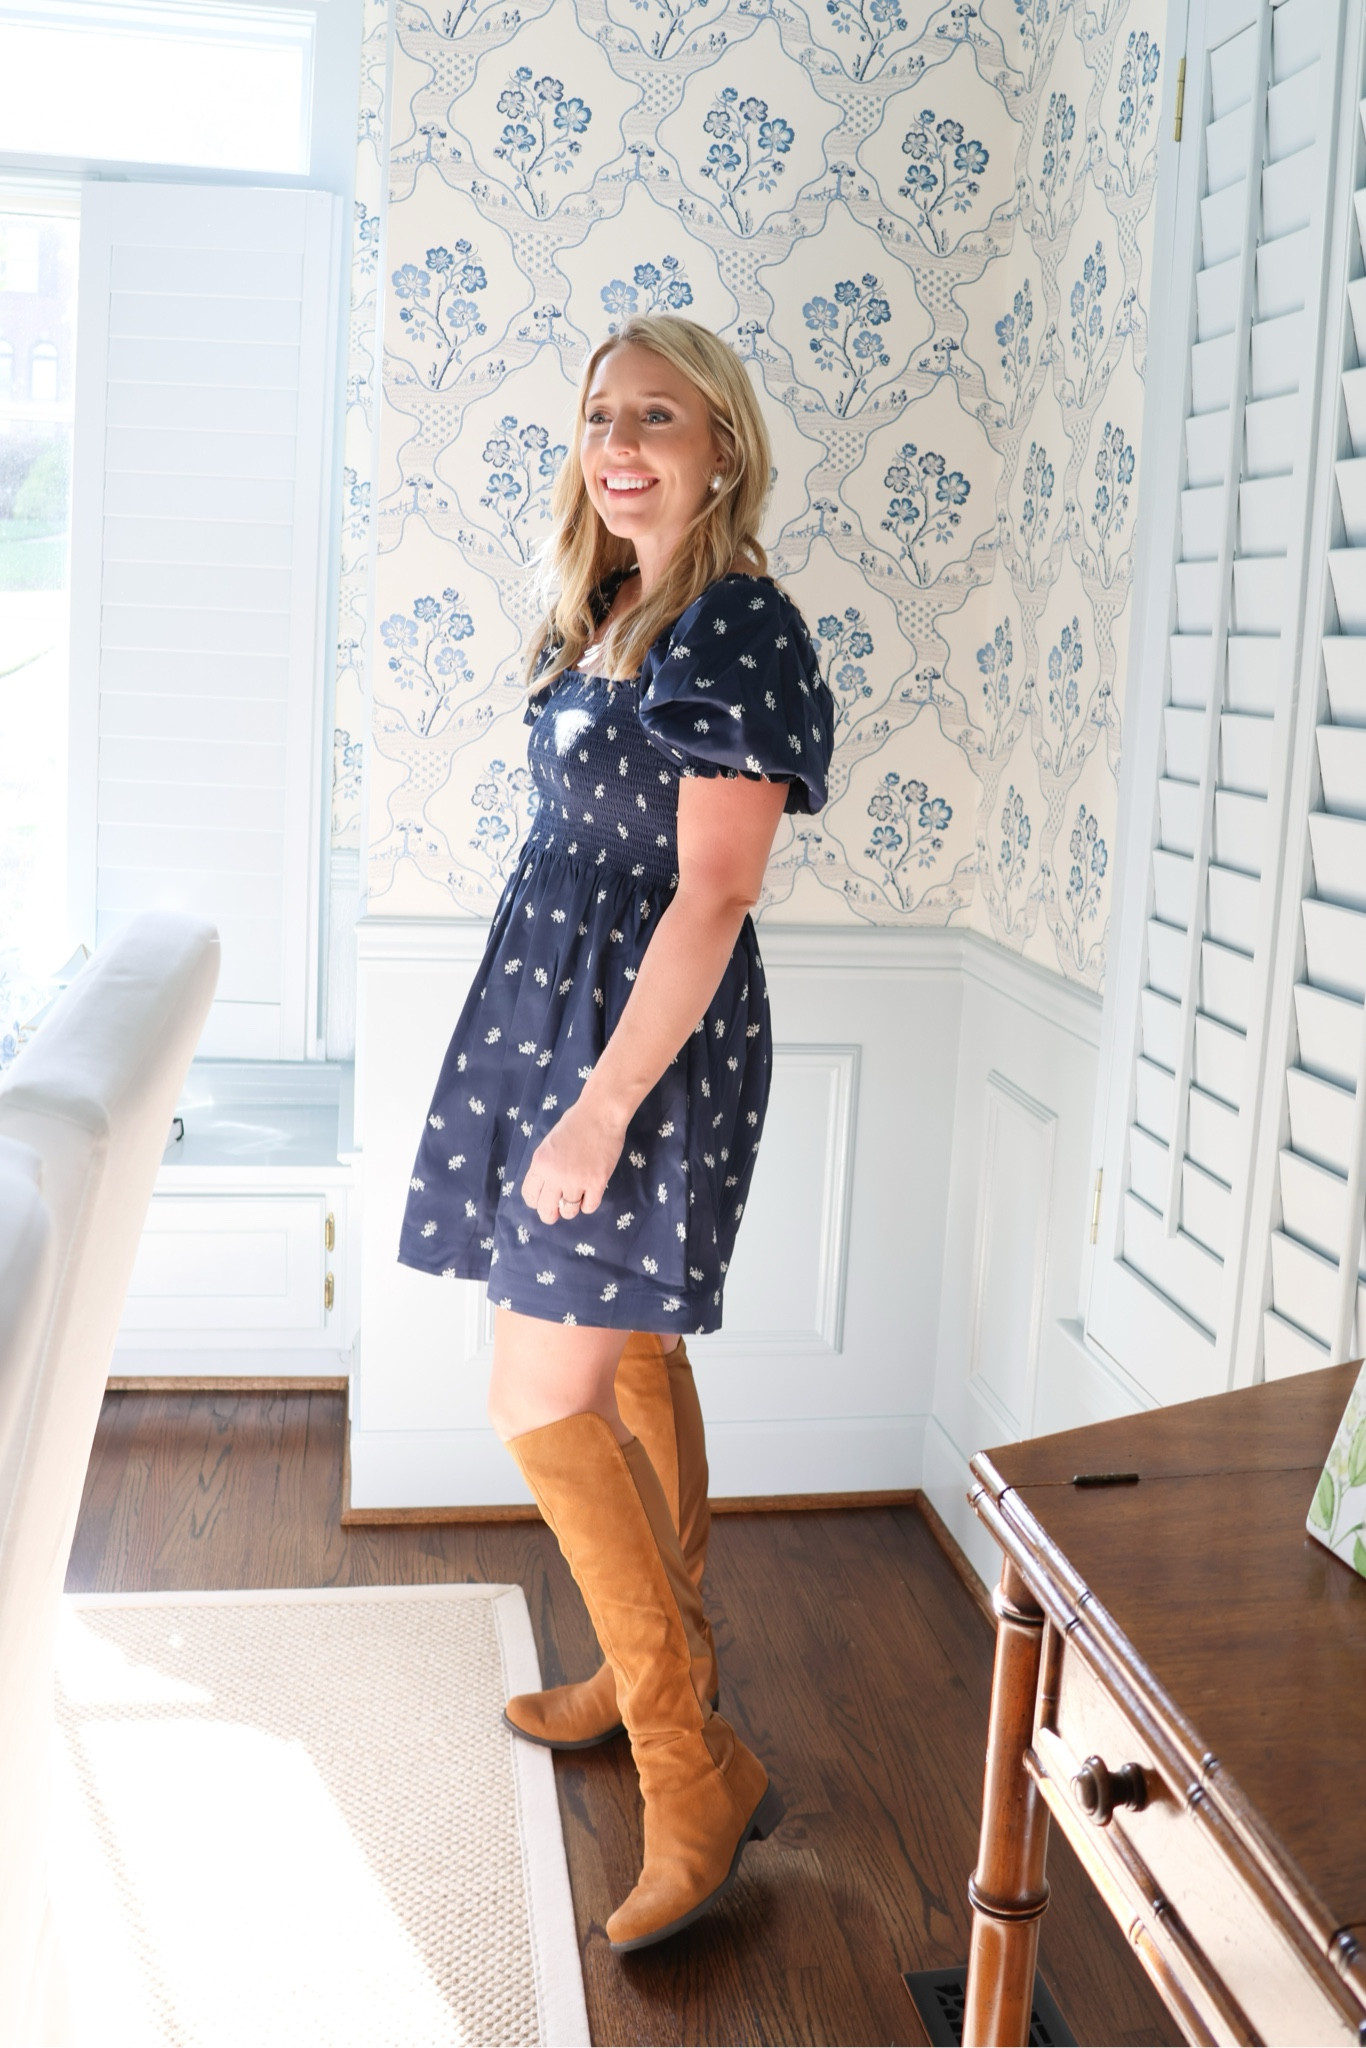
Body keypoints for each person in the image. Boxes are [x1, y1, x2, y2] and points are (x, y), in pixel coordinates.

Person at [398, 314, 835, 1951]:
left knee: (536, 1396)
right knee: (631, 1358)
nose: (622, 437)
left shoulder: (736, 628)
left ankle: (690, 1769)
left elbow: (714, 891)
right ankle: (650, 1672)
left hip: (632, 1051)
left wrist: (594, 1106)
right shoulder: (614, 610)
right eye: (599, 413)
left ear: (721, 440)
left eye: (658, 411)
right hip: (557, 1018)